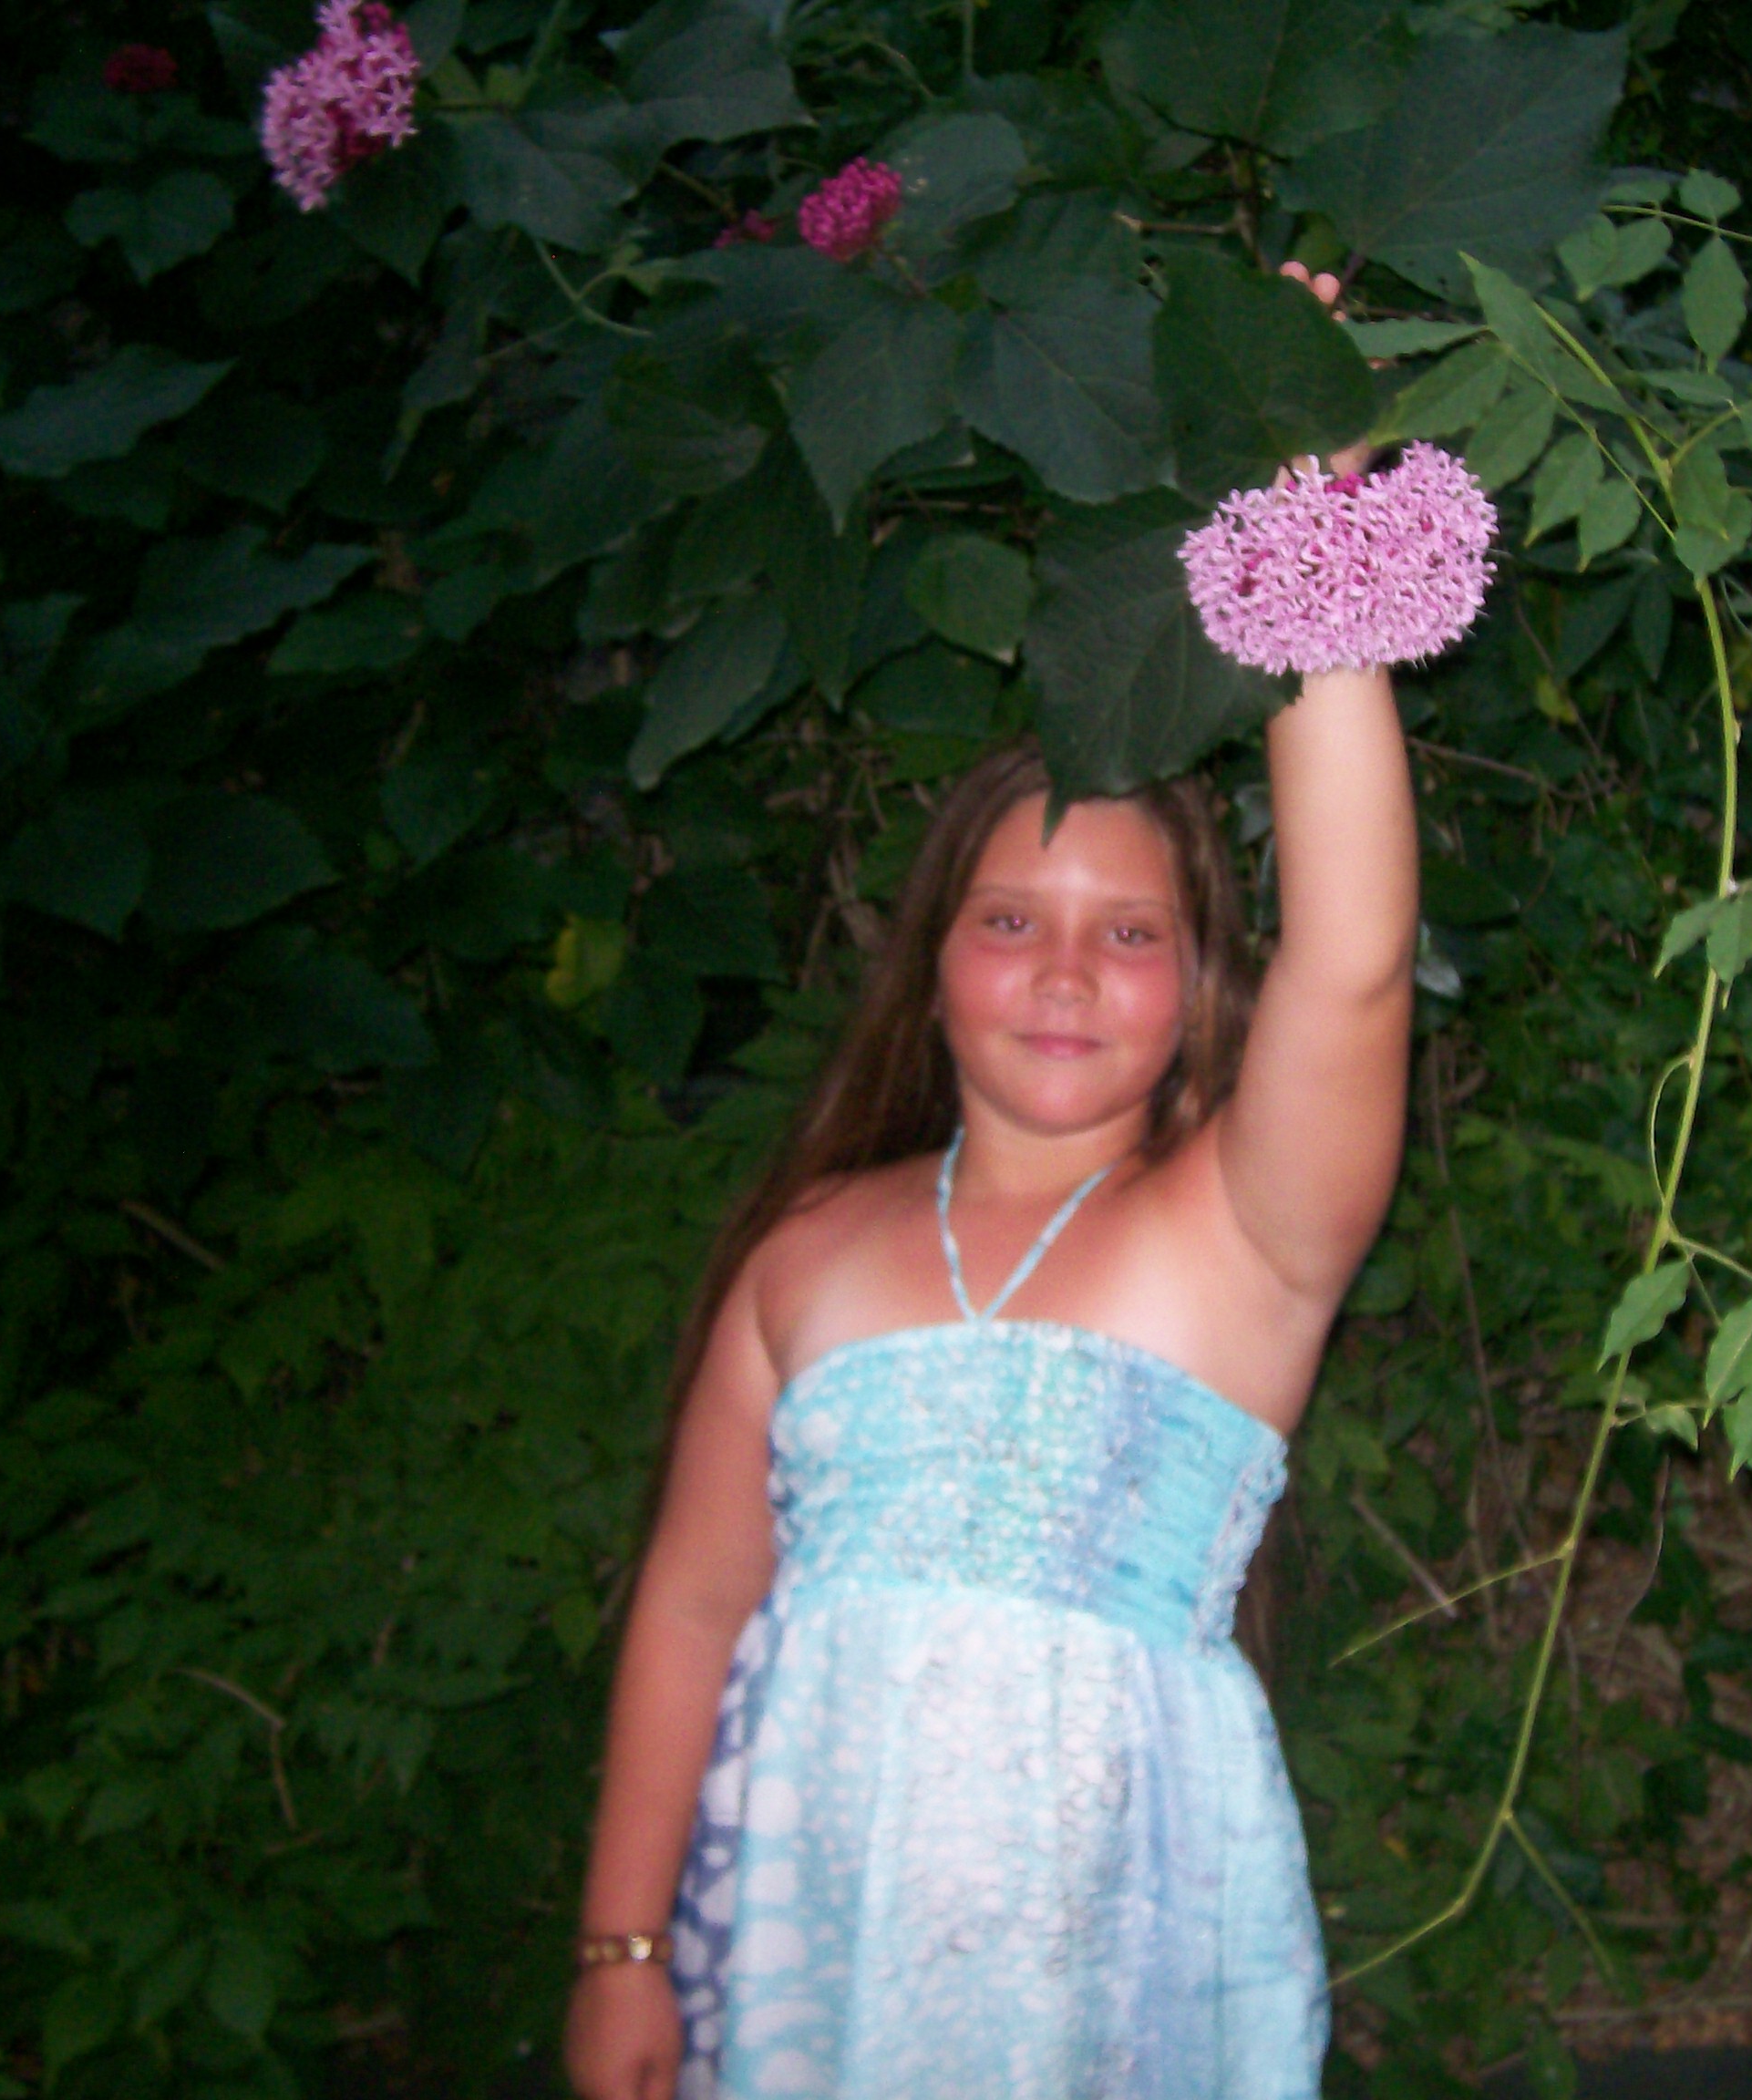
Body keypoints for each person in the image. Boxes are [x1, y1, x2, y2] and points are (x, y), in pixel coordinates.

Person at [565, 283, 1418, 2100]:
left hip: (1109, 1968)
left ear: (1201, 985)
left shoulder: (1240, 1237)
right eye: (1013, 920)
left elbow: (1353, 957)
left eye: (1131, 935)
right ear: (932, 960)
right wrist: (623, 1948)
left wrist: (1302, 501)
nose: (1064, 975)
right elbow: (697, 1604)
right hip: (808, 1954)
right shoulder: (807, 1258)